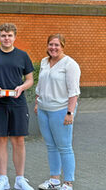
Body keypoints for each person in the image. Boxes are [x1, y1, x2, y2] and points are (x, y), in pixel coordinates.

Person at [0, 23, 34, 190]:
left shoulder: (23, 56)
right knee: (0, 140)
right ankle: (3, 178)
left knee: (19, 140)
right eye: (3, 35)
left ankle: (20, 179)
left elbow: (30, 79)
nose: (6, 38)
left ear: (14, 37)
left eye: (9, 35)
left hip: (18, 103)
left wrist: (21, 88)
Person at [35, 34, 80, 190]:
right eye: (50, 44)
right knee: (51, 146)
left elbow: (74, 91)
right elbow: (40, 85)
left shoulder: (70, 64)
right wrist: (37, 102)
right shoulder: (44, 62)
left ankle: (68, 183)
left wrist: (70, 113)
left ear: (62, 46)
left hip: (61, 111)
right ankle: (54, 180)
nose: (53, 48)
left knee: (64, 147)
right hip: (43, 110)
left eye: (57, 45)